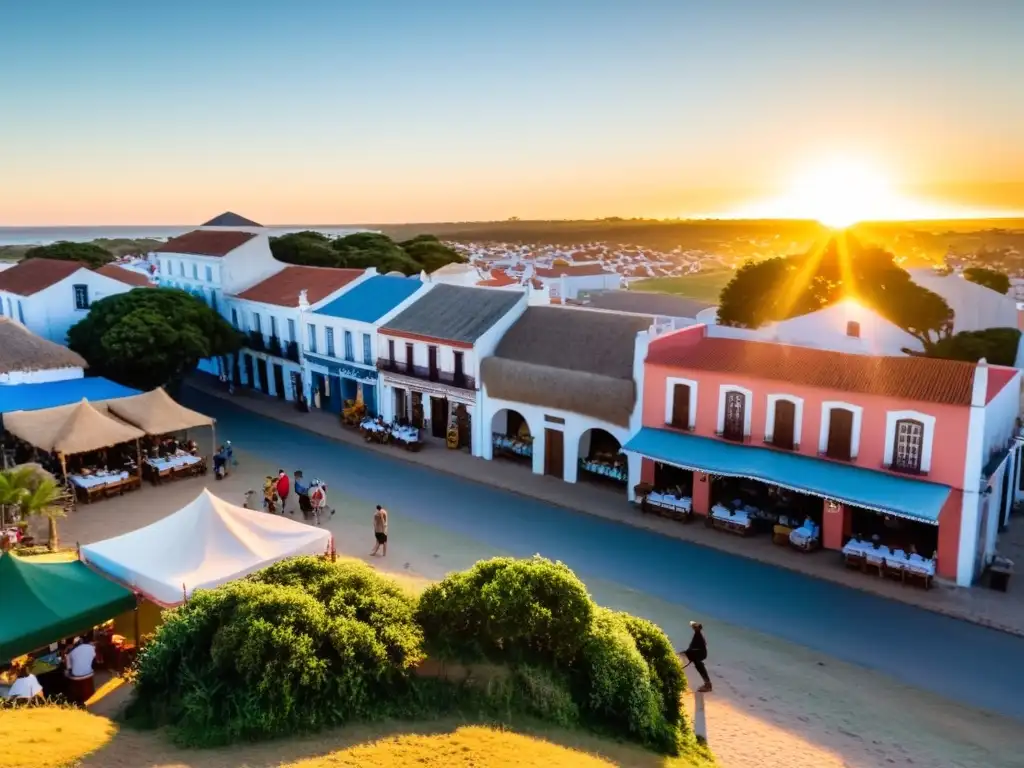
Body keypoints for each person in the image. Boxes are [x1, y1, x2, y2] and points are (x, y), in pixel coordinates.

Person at [681, 621, 712, 693]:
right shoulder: (698, 634)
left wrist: (686, 652)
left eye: (694, 627)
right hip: (699, 654)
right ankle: (707, 685)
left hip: (699, 655)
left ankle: (708, 686)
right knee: (699, 667)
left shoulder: (698, 635)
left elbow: (693, 647)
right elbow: (694, 647)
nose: (692, 628)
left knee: (700, 668)